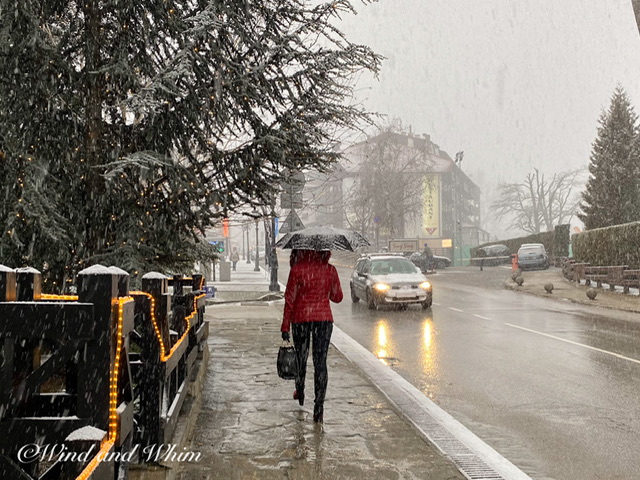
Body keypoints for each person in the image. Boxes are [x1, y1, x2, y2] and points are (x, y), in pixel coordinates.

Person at [280, 249, 343, 424]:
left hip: (300, 319)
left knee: (301, 358)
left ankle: (300, 391)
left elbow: (289, 300)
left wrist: (285, 326)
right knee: (320, 362)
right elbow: (338, 297)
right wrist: (325, 291)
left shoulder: (297, 270)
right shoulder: (330, 270)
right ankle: (319, 407)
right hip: (323, 320)